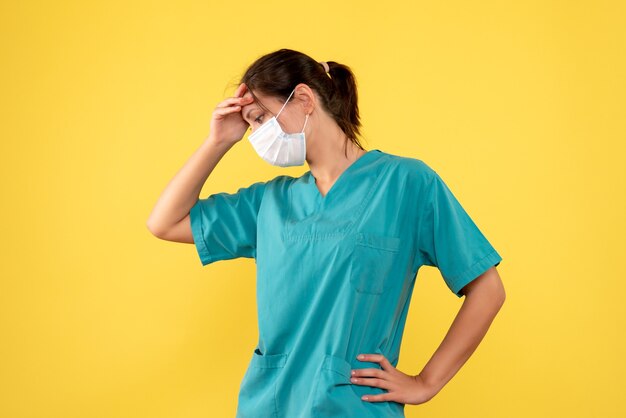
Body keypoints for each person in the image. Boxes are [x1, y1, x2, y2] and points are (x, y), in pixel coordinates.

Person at [147, 48, 506, 418]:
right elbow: (165, 222)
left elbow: (487, 289)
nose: (257, 135)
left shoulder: (406, 184)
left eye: (260, 119)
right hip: (269, 405)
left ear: (303, 99)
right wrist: (217, 142)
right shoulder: (269, 203)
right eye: (251, 125)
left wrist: (425, 382)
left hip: (352, 407)